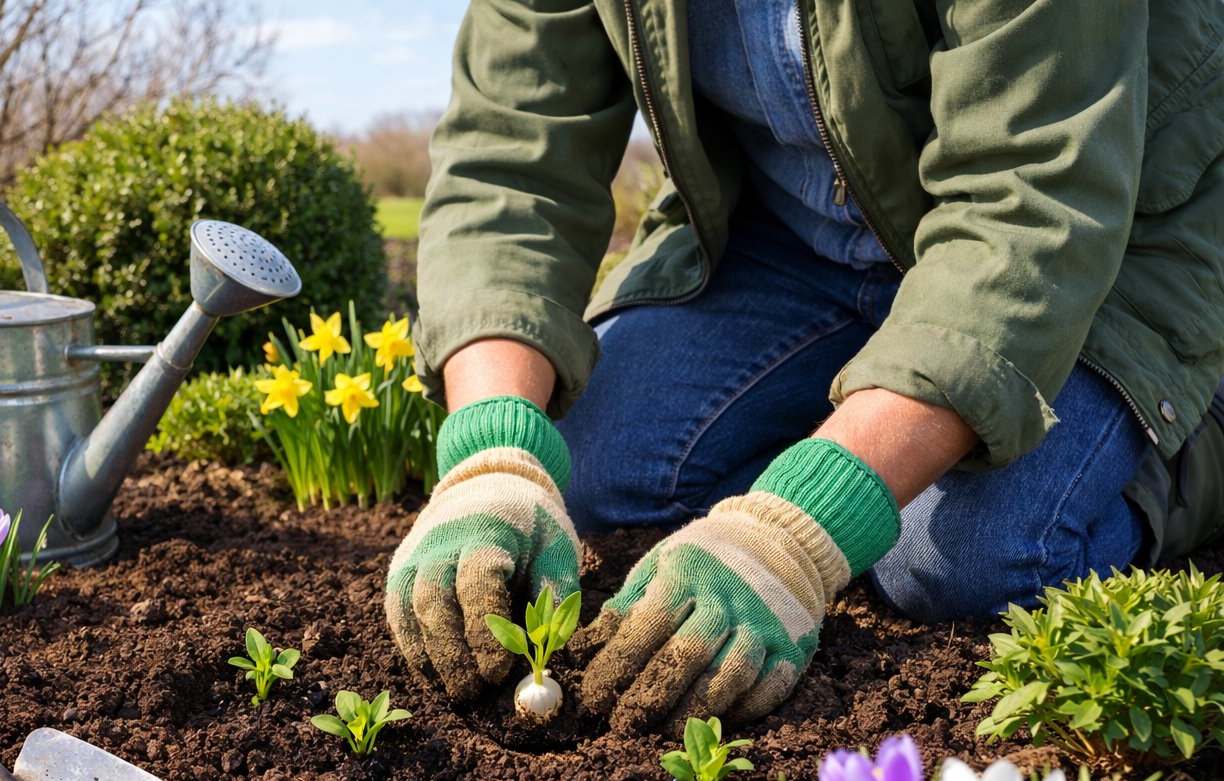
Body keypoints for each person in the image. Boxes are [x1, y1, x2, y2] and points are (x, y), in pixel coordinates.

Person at [384, 0, 1224, 734]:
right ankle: (885, 420)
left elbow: (1031, 198)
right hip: (795, 236)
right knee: (600, 468)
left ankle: (1190, 419)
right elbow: (512, 160)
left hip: (1111, 229)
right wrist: (491, 456)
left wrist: (796, 530)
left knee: (963, 558)